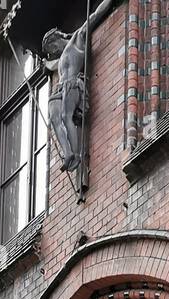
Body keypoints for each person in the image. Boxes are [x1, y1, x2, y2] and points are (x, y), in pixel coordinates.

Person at [41, 0, 116, 172]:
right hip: (61, 88)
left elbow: (95, 15)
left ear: (57, 39)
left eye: (51, 47)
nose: (52, 51)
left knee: (66, 116)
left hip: (73, 84)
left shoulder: (77, 39)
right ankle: (67, 152)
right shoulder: (60, 59)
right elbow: (52, 65)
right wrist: (46, 64)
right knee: (54, 116)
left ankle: (73, 155)